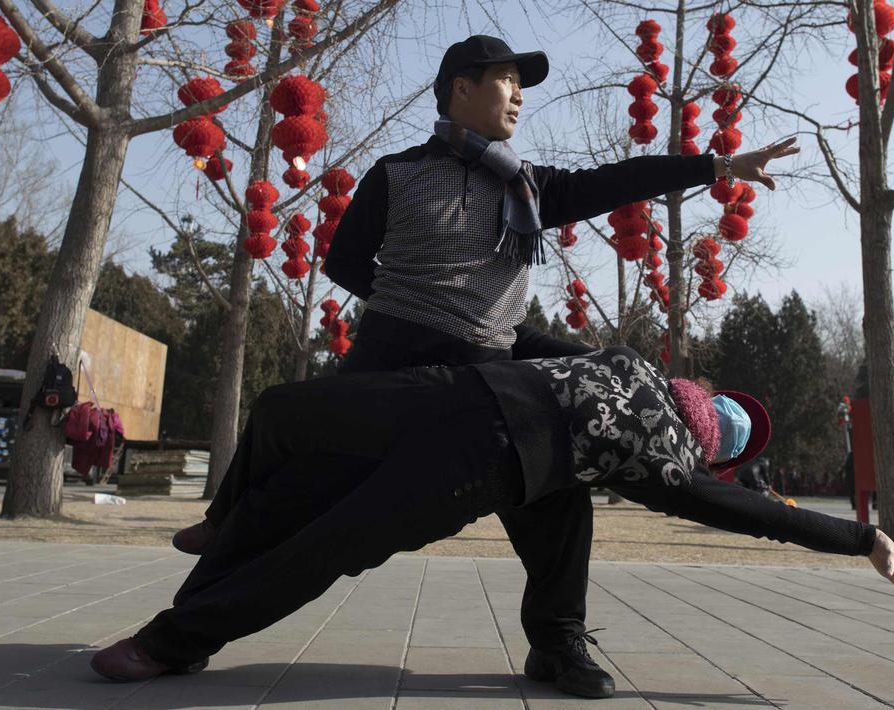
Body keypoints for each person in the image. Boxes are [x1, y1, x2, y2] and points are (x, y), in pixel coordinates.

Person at [171, 33, 801, 699]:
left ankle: (557, 641)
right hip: (388, 367)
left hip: (486, 374)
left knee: (557, 479)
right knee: (293, 501)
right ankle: (188, 616)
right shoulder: (396, 173)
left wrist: (718, 166)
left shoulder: (530, 188)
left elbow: (620, 180)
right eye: (505, 80)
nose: (519, 94)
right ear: (460, 89)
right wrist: (421, 303)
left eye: (520, 83)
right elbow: (345, 262)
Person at [93, 347, 894, 683]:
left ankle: (178, 638)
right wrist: (862, 538)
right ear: (718, 440)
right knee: (296, 448)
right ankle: (224, 529)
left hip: (465, 428)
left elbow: (529, 333)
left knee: (316, 502)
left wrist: (860, 533)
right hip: (458, 410)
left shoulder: (635, 380)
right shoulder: (662, 443)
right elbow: (756, 515)